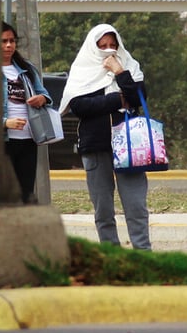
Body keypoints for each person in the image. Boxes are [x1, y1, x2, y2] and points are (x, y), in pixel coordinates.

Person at [61, 23, 151, 250]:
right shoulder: (83, 71)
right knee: (103, 209)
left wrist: (120, 72)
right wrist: (116, 101)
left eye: (113, 45)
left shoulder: (129, 67)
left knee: (136, 206)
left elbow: (138, 98)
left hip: (130, 146)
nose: (109, 50)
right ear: (93, 48)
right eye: (103, 46)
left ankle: (143, 253)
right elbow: (80, 106)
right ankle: (112, 254)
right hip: (95, 145)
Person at [0, 21, 53, 204]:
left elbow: (45, 94)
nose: (8, 45)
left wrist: (42, 99)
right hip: (2, 143)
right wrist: (5, 122)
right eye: (3, 41)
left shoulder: (26, 68)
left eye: (12, 41)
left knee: (26, 192)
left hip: (29, 139)